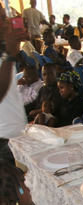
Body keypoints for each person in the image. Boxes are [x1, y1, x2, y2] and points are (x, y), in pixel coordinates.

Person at [0, 5, 28, 138]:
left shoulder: (3, 48)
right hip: (3, 136)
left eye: (3, 17)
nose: (3, 24)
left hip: (17, 131)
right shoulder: (6, 54)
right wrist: (9, 56)